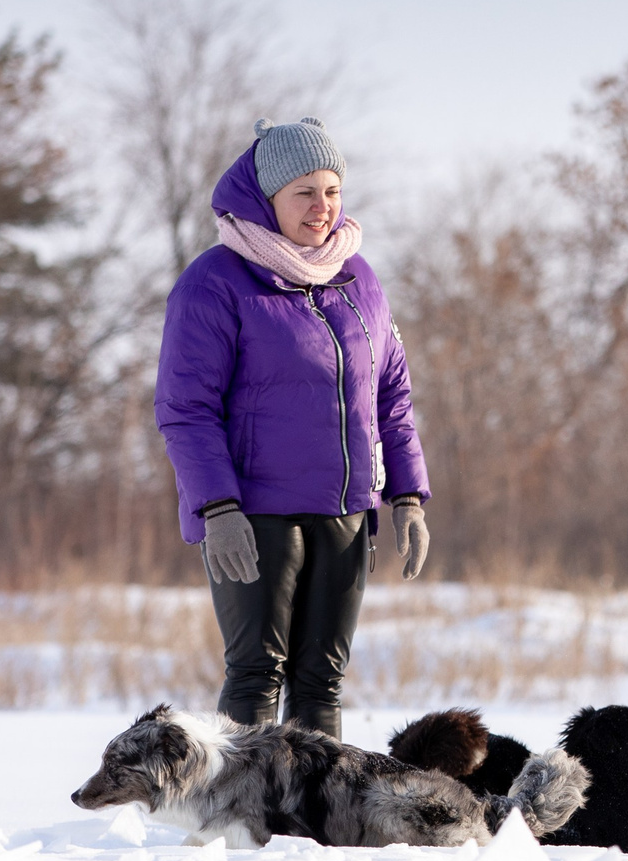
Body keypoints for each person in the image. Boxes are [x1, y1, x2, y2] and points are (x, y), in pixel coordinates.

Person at [155, 118, 432, 733]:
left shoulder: (359, 278)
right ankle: (243, 821)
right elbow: (185, 409)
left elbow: (391, 395)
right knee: (257, 672)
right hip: (255, 514)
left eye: (331, 190)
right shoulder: (214, 283)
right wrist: (217, 508)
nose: (322, 207)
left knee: (322, 681)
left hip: (346, 510)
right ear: (266, 197)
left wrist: (407, 494)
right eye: (304, 192)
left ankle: (311, 826)